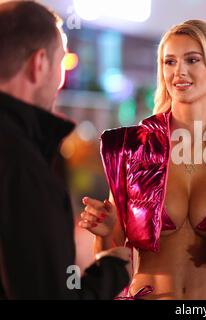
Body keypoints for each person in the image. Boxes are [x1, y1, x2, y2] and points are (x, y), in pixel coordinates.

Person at [79, 19, 206, 300]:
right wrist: (104, 231)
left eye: (192, 60)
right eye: (169, 62)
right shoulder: (132, 148)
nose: (178, 72)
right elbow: (110, 252)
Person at [0, 1, 130, 299]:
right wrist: (112, 271)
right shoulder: (25, 166)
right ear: (40, 63)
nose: (61, 81)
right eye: (62, 63)